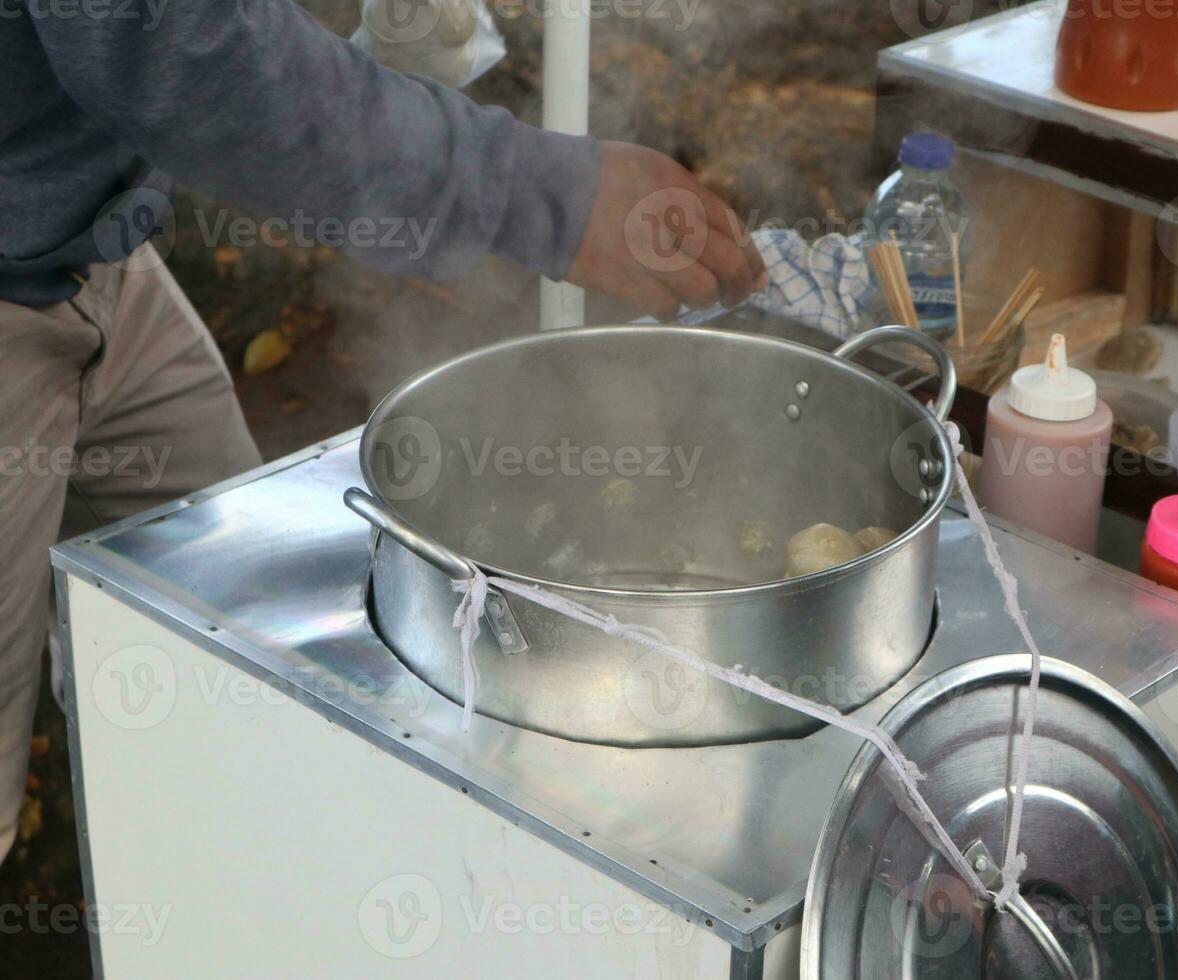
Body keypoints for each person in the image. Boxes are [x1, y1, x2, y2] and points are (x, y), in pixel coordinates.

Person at [0, 0, 766, 862]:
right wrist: (539, 192)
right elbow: (187, 54)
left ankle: (204, 883)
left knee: (222, 655)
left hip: (88, 247)